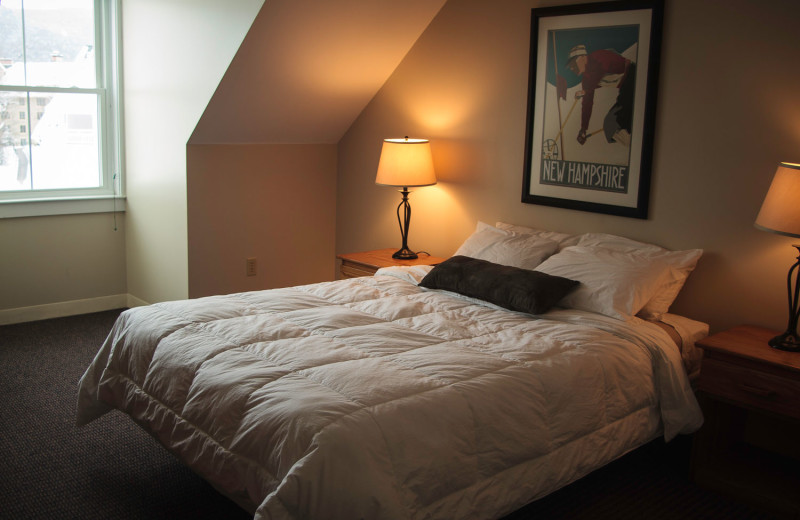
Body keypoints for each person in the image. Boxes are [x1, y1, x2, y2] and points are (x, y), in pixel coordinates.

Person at [565, 44, 635, 147]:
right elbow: (587, 104)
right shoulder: (587, 80)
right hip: (626, 89)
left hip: (634, 77)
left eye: (573, 63)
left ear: (583, 58)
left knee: (611, 123)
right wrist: (583, 129)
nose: (571, 68)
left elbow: (601, 68)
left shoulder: (598, 56)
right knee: (612, 125)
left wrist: (586, 91)